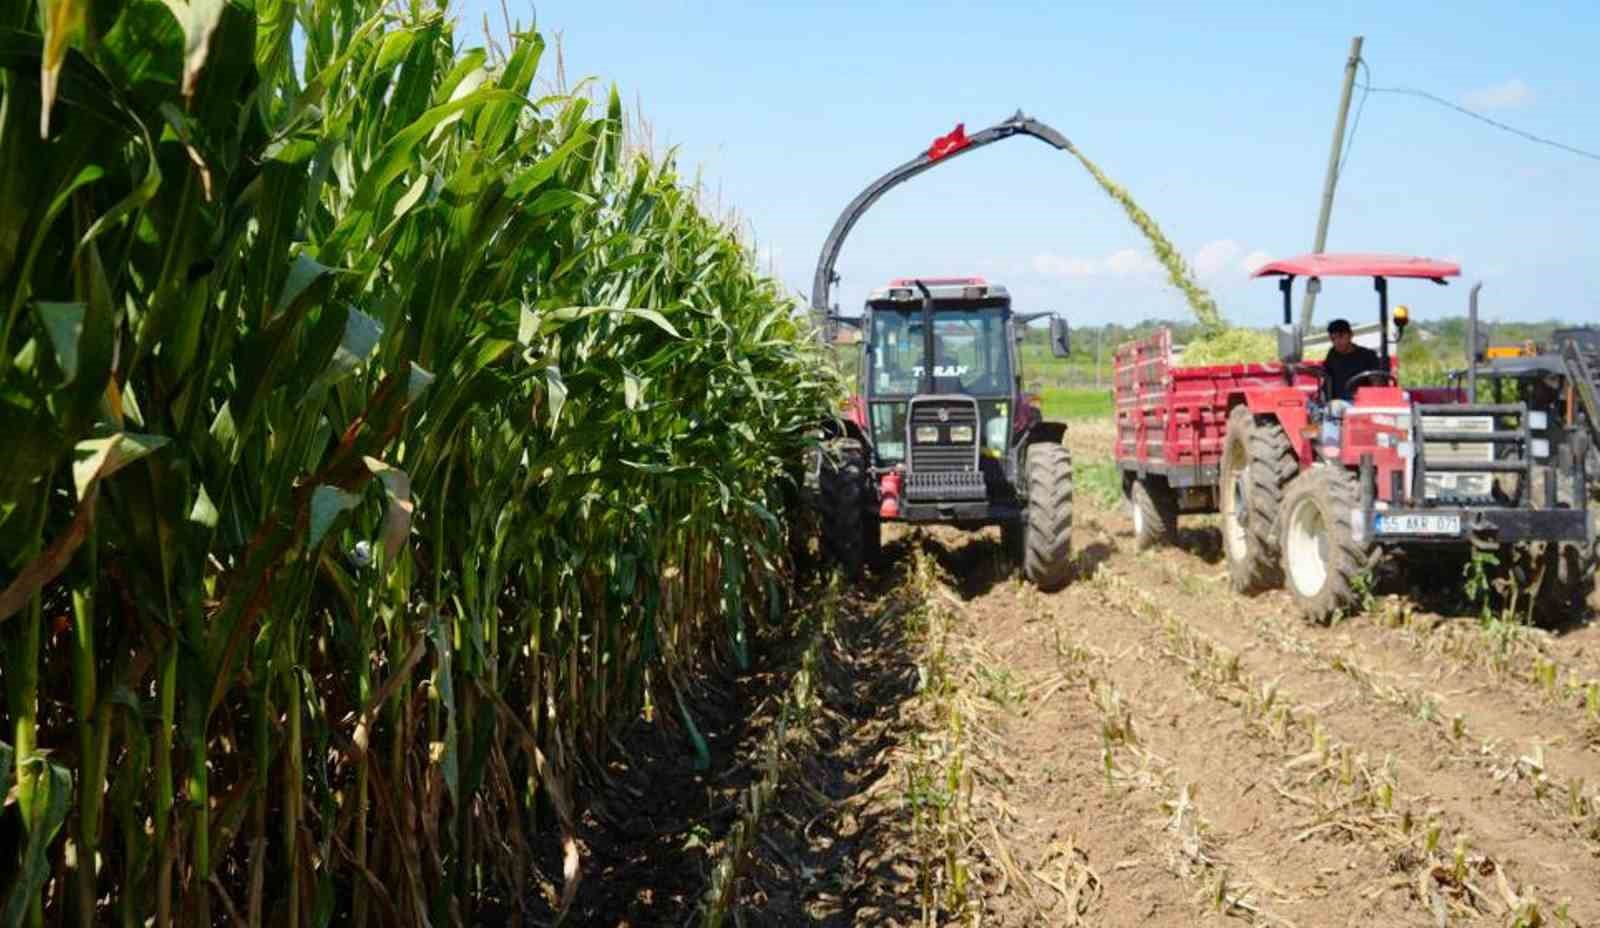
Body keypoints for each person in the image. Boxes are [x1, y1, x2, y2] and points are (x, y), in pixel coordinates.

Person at [1323, 318, 1384, 401]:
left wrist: (1375, 383)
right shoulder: (1332, 354)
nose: (1337, 341)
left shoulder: (1368, 355)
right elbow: (1326, 377)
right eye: (1333, 339)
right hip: (1338, 403)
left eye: (1341, 337)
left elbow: (1377, 382)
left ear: (1351, 335)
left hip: (1362, 401)